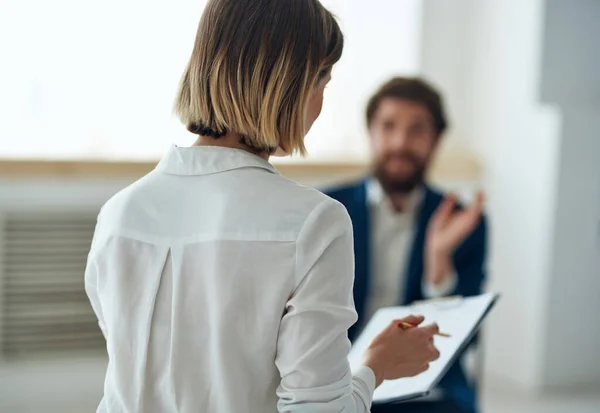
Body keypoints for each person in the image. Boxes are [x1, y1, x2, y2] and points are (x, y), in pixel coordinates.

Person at [85, 2, 441, 412]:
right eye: (322, 80)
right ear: (291, 83)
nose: (321, 102)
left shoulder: (118, 214)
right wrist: (377, 366)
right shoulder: (314, 223)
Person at [325, 77, 487, 413]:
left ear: (436, 140)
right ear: (370, 132)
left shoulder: (464, 222)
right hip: (342, 375)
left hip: (429, 382)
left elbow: (464, 338)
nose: (401, 142)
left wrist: (438, 261)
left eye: (417, 130)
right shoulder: (325, 209)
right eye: (388, 126)